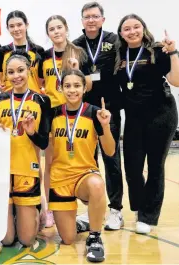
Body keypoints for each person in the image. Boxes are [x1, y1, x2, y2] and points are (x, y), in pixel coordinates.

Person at [115, 14, 179, 234]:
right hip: (133, 118)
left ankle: (148, 217)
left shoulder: (157, 49)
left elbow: (176, 80)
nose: (132, 31)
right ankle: (141, 207)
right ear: (121, 33)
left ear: (143, 28)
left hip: (161, 114)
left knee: (155, 167)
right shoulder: (119, 55)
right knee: (132, 168)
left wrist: (173, 52)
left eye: (136, 27)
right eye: (126, 29)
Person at [0, 51, 51, 247]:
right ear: (6, 75)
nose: (16, 76)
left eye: (20, 70)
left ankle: (35, 209)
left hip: (26, 169)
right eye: (11, 72)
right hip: (1, 170)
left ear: (29, 71)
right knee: (6, 240)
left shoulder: (41, 101)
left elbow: (44, 143)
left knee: (27, 240)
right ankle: (13, 213)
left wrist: (31, 132)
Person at [49, 68, 114, 263]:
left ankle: (94, 237)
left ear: (84, 88)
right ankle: (82, 221)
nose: (72, 90)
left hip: (84, 175)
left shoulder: (94, 113)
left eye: (77, 85)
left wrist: (105, 126)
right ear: (61, 88)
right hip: (59, 178)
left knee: (97, 185)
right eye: (67, 86)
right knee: (68, 239)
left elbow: (110, 151)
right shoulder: (52, 114)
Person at [72, 1, 124, 231]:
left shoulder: (115, 41)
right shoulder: (76, 45)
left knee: (111, 158)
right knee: (88, 161)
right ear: (82, 21)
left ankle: (116, 210)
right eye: (87, 17)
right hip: (85, 112)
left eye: (95, 16)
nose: (91, 20)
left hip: (108, 109)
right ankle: (91, 208)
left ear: (102, 19)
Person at [38, 15, 91, 228]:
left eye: (59, 27)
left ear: (66, 28)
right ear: (48, 33)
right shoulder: (44, 56)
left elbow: (89, 84)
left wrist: (77, 68)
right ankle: (51, 207)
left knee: (79, 161)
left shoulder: (79, 52)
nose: (56, 32)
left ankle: (86, 207)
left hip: (76, 114)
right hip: (53, 114)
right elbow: (41, 82)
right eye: (52, 29)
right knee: (51, 162)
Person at [0, 10, 44, 93]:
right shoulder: (1, 52)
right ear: (7, 28)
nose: (16, 29)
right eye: (12, 26)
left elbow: (42, 81)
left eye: (19, 25)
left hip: (33, 100)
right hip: (9, 100)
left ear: (26, 25)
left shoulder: (38, 51)